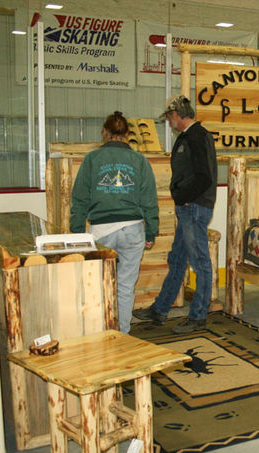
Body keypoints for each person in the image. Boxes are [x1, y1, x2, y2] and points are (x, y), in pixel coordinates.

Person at [133, 95, 217, 334]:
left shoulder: (198, 137)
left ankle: (199, 315)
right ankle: (160, 310)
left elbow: (204, 177)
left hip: (193, 207)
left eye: (169, 117)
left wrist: (184, 196)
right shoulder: (189, 136)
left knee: (200, 263)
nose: (169, 122)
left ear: (177, 114)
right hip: (188, 207)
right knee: (178, 259)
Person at [70, 111, 159, 334]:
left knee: (98, 287)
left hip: (101, 231)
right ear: (127, 134)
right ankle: (122, 335)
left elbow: (80, 199)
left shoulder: (92, 159)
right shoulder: (139, 160)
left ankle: (98, 332)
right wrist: (152, 232)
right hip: (133, 230)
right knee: (126, 287)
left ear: (105, 133)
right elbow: (149, 199)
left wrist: (78, 233)